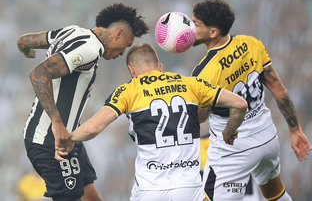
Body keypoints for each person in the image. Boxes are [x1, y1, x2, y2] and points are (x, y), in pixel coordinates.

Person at [55, 43, 248, 201]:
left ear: (132, 71)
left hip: (149, 190)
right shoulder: (191, 84)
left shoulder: (129, 90)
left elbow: (95, 127)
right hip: (189, 189)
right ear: (160, 67)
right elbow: (240, 104)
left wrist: (69, 139)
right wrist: (230, 130)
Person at [17, 3, 149, 201]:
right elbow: (39, 73)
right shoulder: (89, 49)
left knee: (92, 197)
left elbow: (25, 40)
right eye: (126, 46)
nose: (122, 53)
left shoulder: (72, 31)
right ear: (118, 34)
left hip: (70, 139)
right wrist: (57, 123)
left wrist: (25, 48)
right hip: (49, 141)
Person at [190, 0, 312, 201]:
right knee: (276, 193)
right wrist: (295, 129)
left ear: (213, 32)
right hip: (266, 137)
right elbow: (277, 87)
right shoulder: (251, 43)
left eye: (196, 24)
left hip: (233, 147)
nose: (190, 28)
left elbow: (200, 117)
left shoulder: (203, 72)